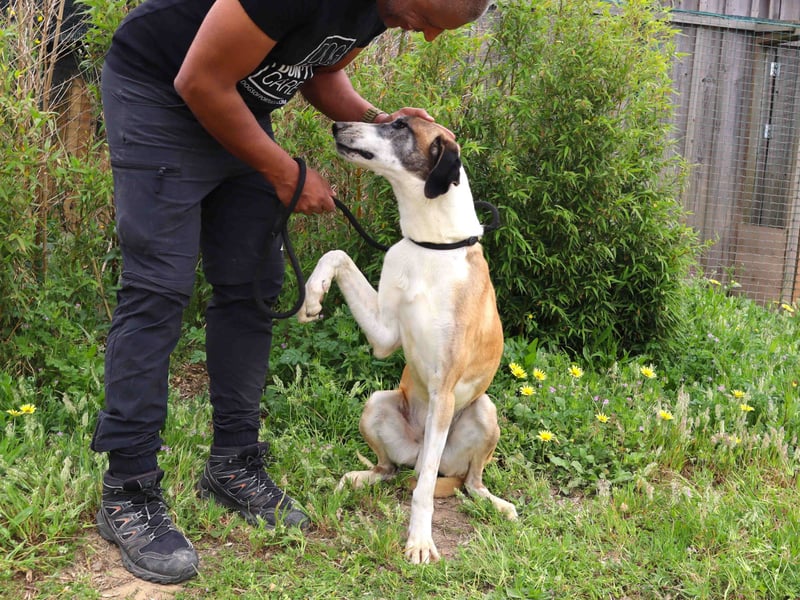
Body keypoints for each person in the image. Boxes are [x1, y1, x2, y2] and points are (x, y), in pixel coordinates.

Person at [90, 0, 491, 585]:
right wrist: (286, 173)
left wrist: (386, 125)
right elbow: (199, 79)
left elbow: (319, 69)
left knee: (253, 285)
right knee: (158, 291)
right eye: (431, 18)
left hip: (237, 106)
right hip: (162, 92)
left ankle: (233, 463)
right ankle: (128, 488)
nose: (428, 36)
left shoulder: (382, 9)